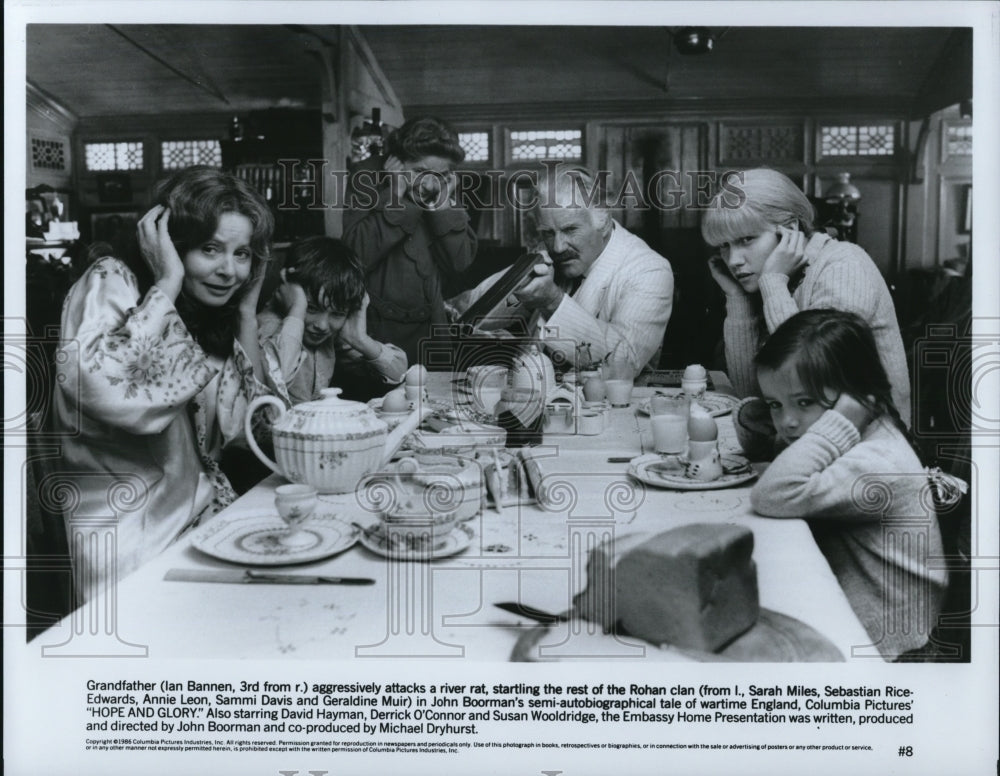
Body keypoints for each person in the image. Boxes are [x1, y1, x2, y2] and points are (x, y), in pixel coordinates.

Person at [53, 166, 280, 603]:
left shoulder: (209, 313)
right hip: (129, 541)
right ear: (168, 244)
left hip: (205, 519)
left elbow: (255, 428)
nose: (228, 271)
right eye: (210, 249)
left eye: (242, 254)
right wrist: (168, 282)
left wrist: (247, 316)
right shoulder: (111, 279)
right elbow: (100, 386)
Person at [749, 309, 951, 660]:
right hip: (867, 619)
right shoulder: (859, 432)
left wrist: (838, 420)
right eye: (775, 405)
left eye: (804, 402)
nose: (787, 422)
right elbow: (785, 454)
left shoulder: (878, 463)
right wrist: (759, 417)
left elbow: (773, 492)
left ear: (855, 397)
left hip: (892, 650)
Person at [701, 167, 911, 424]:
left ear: (790, 230)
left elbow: (814, 381)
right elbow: (758, 397)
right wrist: (738, 301)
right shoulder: (778, 277)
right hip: (811, 440)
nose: (733, 260)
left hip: (871, 450)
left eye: (746, 239)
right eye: (724, 245)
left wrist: (773, 282)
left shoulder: (844, 266)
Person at [455, 164, 674, 373]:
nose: (558, 247)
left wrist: (552, 301)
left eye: (570, 230)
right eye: (548, 233)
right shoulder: (549, 252)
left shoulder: (649, 270)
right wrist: (518, 280)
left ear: (604, 222)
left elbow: (623, 362)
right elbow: (473, 314)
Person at [342, 116, 477, 364]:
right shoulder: (366, 175)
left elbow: (460, 263)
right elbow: (355, 257)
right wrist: (394, 195)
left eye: (440, 174)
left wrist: (444, 205)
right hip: (375, 332)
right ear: (397, 162)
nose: (429, 184)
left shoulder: (443, 185)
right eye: (419, 172)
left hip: (432, 334)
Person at [257, 236, 407, 405]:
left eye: (337, 313)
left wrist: (360, 339)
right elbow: (276, 378)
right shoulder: (269, 325)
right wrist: (297, 310)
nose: (321, 325)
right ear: (289, 294)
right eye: (311, 308)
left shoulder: (329, 337)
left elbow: (399, 374)